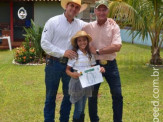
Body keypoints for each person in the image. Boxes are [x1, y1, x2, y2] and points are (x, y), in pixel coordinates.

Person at [41, 0, 88, 122]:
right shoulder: (53, 22)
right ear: (66, 6)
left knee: (68, 96)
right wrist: (63, 52)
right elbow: (44, 43)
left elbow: (93, 25)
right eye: (72, 5)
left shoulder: (80, 24)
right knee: (51, 96)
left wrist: (108, 21)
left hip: (70, 66)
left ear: (79, 10)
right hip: (53, 64)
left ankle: (64, 120)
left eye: (77, 7)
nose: (74, 9)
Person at [82, 0, 123, 122]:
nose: (101, 12)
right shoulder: (88, 27)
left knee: (117, 95)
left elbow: (117, 46)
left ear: (107, 11)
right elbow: (80, 38)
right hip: (94, 65)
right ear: (95, 11)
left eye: (104, 9)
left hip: (111, 65)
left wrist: (98, 51)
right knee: (92, 96)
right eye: (99, 9)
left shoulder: (113, 26)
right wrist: (89, 48)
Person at [66, 31, 105, 122]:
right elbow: (67, 70)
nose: (82, 42)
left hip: (87, 83)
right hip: (77, 83)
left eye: (84, 40)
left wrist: (100, 69)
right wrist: (72, 74)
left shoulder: (90, 55)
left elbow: (93, 68)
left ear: (87, 41)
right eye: (79, 40)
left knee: (83, 107)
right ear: (76, 42)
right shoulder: (74, 54)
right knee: (78, 108)